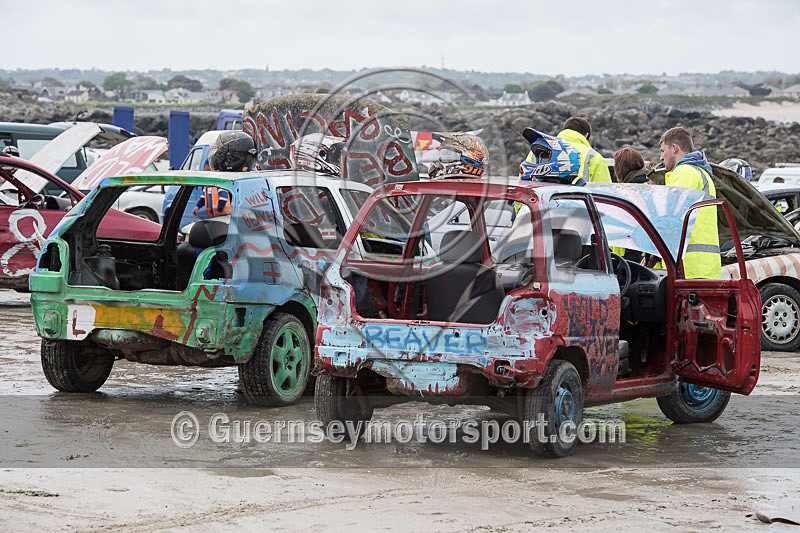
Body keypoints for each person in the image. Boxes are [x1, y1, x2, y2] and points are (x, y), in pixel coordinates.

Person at [659, 127, 721, 279]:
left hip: (689, 266)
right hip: (704, 266)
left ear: (674, 148)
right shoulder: (701, 172)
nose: (661, 157)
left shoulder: (685, 172)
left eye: (662, 150)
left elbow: (672, 217)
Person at [525, 117, 611, 183]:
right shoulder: (594, 156)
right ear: (586, 135)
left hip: (538, 205)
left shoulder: (537, 150)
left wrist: (522, 207)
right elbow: (605, 191)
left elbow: (523, 182)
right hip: (578, 205)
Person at [193, 131, 257, 217]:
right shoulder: (211, 182)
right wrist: (197, 206)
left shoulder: (219, 180)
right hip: (216, 215)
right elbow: (204, 198)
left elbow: (223, 197)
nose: (205, 169)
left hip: (223, 215)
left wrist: (219, 210)